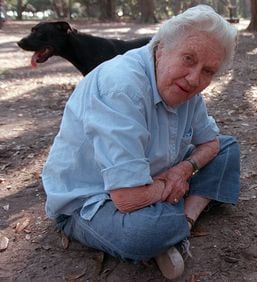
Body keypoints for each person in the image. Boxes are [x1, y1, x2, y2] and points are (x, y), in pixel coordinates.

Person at [41, 5, 240, 280]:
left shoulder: (186, 87)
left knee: (228, 148)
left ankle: (183, 223)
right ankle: (169, 228)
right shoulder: (121, 87)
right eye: (188, 59)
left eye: (208, 71)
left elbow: (213, 143)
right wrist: (171, 185)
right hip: (93, 198)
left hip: (152, 176)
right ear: (160, 49)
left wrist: (182, 171)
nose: (195, 79)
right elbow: (127, 198)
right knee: (147, 231)